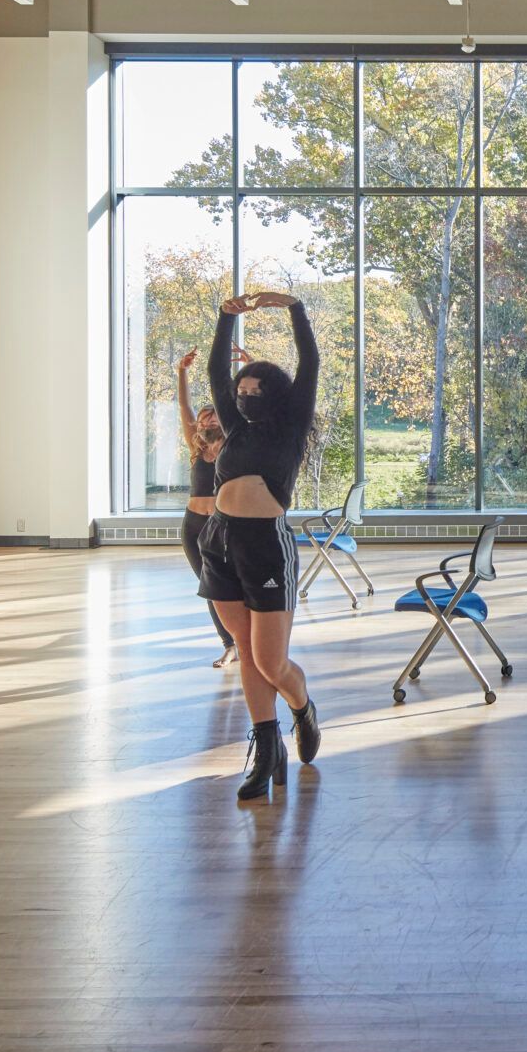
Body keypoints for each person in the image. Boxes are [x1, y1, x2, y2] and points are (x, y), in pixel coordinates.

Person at [202, 290, 324, 800]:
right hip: (220, 542)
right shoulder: (233, 427)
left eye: (254, 390)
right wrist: (225, 319)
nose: (245, 395)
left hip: (266, 546)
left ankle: (301, 706)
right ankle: (266, 745)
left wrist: (293, 308)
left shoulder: (291, 426)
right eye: (241, 389)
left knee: (272, 661)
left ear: (272, 394)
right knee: (248, 656)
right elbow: (214, 369)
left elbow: (310, 361)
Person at [172, 349, 240, 668]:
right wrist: (182, 371)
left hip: (221, 525)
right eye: (202, 418)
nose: (204, 419)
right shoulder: (196, 449)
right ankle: (230, 645)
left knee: (228, 585)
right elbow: (184, 406)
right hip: (193, 525)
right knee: (208, 586)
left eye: (211, 416)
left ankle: (241, 640)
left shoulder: (231, 446)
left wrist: (248, 365)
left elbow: (243, 411)